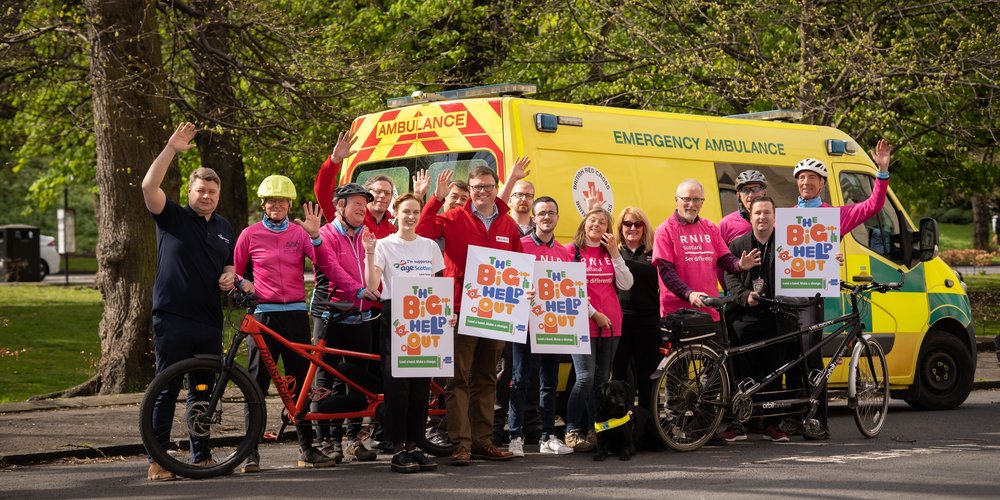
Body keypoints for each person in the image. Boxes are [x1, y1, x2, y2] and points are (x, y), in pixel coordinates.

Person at [141, 122, 236, 481]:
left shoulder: (225, 227)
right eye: (201, 190)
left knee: (201, 390)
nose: (207, 196)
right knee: (165, 389)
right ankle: (158, 460)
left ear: (218, 193)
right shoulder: (173, 217)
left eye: (212, 191)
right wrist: (170, 149)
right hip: (174, 318)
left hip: (208, 321)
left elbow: (227, 262)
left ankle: (202, 456)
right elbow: (149, 186)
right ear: (189, 191)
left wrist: (229, 272)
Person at [415, 167, 523, 465]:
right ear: (471, 189)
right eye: (476, 187)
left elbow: (518, 267)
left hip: (496, 313)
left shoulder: (508, 225)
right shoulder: (453, 217)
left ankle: (482, 441)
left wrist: (522, 295)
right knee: (458, 380)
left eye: (487, 186)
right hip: (461, 310)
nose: (481, 191)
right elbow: (423, 232)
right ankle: (460, 444)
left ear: (495, 187)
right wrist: (435, 198)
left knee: (487, 378)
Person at [788, 139, 892, 439]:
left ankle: (817, 419)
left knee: (811, 355)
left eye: (812, 178)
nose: (806, 182)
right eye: (802, 178)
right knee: (789, 355)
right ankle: (792, 418)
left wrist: (882, 171)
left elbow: (873, 205)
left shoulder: (835, 215)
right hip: (786, 295)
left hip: (813, 295)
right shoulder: (787, 214)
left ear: (822, 183)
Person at [233, 175, 337, 471]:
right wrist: (244, 286)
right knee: (256, 384)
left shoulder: (299, 233)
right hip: (263, 315)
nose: (276, 205)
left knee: (299, 383)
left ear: (289, 204)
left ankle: (307, 449)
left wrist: (316, 236)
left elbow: (325, 265)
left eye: (282, 201)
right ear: (263, 205)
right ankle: (250, 452)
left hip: (294, 315)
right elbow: (234, 274)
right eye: (271, 201)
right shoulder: (249, 234)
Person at [363, 192, 446, 473]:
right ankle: (398, 449)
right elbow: (373, 284)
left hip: (425, 317)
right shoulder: (385, 245)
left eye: (415, 211)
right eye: (406, 211)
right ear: (395, 214)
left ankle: (414, 446)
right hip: (395, 315)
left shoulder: (430, 247)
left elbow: (438, 285)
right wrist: (370, 253)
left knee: (421, 387)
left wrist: (446, 314)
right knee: (398, 386)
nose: (410, 216)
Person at [311, 183, 381, 462]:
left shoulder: (367, 235)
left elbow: (374, 273)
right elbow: (333, 269)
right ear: (339, 206)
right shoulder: (325, 235)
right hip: (330, 318)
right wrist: (357, 290)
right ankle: (328, 440)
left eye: (365, 204)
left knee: (358, 383)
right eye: (356, 203)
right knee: (325, 380)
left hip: (361, 317)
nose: (362, 208)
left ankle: (354, 438)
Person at [722, 196, 793, 443]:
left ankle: (772, 424)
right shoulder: (737, 244)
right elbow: (728, 277)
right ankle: (740, 423)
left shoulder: (789, 243)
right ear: (749, 217)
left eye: (767, 213)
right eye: (757, 213)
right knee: (742, 371)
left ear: (775, 217)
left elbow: (811, 265)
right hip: (745, 317)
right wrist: (744, 297)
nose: (762, 217)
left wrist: (833, 261)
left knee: (774, 372)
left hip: (777, 317)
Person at [508, 196, 575, 457]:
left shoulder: (565, 252)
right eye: (542, 213)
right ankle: (515, 436)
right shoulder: (519, 246)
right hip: (524, 324)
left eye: (551, 213)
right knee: (520, 380)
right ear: (533, 218)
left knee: (549, 382)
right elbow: (507, 282)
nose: (547, 217)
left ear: (558, 217)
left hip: (553, 326)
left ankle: (548, 436)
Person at [564, 207, 634, 452]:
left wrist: (616, 253)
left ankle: (597, 430)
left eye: (603, 222)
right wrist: (594, 313)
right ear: (584, 223)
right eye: (592, 220)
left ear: (608, 228)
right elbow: (569, 289)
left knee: (603, 381)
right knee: (585, 378)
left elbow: (626, 284)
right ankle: (571, 429)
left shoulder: (610, 253)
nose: (596, 225)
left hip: (611, 324)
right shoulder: (571, 251)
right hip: (581, 323)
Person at [652, 179, 760, 322]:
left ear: (702, 202)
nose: (691, 204)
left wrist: (738, 265)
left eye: (697, 199)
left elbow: (724, 259)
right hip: (678, 314)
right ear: (676, 199)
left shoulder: (709, 227)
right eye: (686, 199)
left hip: (710, 310)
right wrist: (689, 294)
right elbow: (666, 272)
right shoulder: (665, 231)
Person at [610, 206, 660, 412]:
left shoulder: (654, 250)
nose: (632, 228)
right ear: (620, 227)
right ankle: (619, 424)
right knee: (618, 376)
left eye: (637, 224)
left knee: (647, 376)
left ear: (644, 227)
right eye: (627, 224)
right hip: (619, 321)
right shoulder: (612, 250)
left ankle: (648, 425)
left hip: (648, 321)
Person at [720, 169, 769, 245]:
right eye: (745, 190)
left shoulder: (777, 220)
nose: (751, 195)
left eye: (755, 189)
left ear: (764, 193)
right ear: (738, 195)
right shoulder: (726, 224)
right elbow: (718, 255)